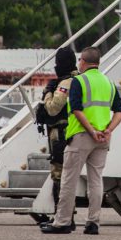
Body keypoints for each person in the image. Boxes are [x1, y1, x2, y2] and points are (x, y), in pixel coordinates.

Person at [41, 46, 121, 235]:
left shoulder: (79, 81)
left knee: (68, 180)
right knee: (96, 181)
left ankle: (62, 222)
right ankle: (93, 223)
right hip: (102, 139)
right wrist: (108, 130)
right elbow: (120, 110)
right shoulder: (108, 83)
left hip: (81, 136)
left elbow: (77, 110)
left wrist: (91, 130)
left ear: (83, 62)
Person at [41, 46, 78, 212]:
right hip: (75, 131)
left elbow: (52, 108)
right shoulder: (81, 78)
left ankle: (61, 214)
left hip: (62, 132)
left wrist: (48, 92)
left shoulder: (65, 82)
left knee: (59, 174)